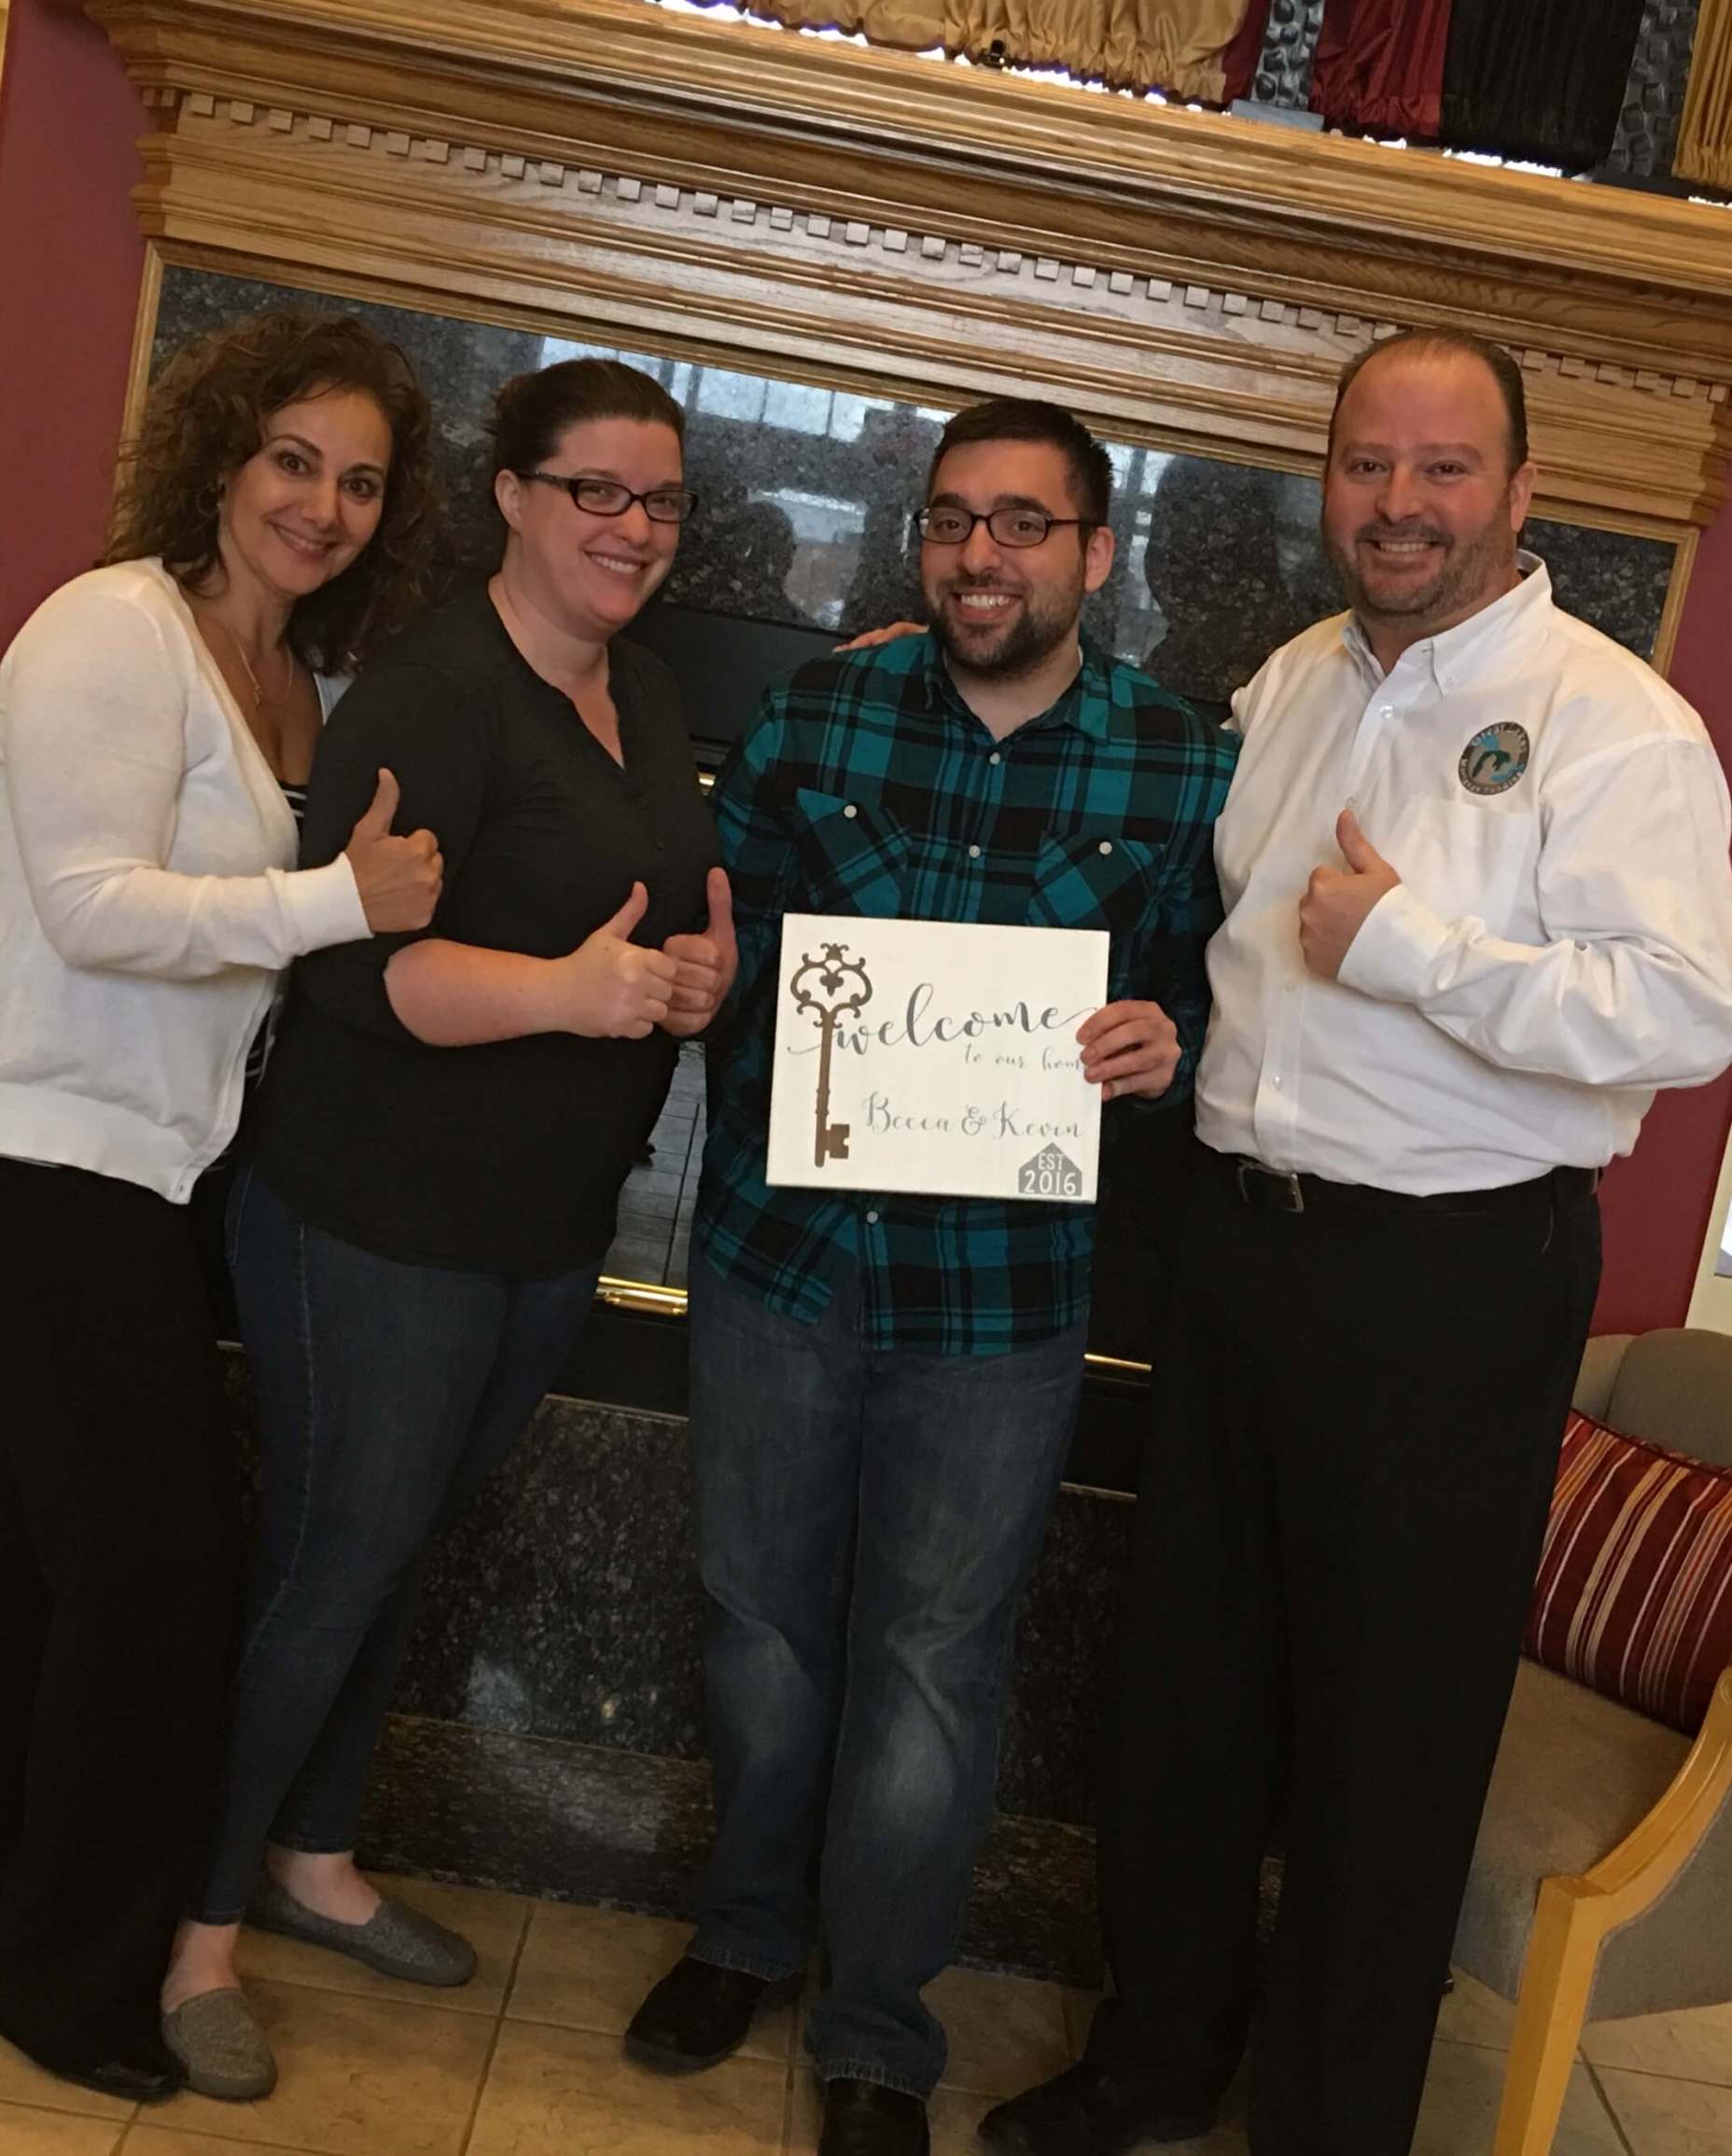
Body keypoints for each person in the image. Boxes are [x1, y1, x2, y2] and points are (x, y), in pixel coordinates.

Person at [981, 330, 1732, 2156]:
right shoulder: (1297, 675)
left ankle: (1326, 2125)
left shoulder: (1613, 720)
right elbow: (1243, 939)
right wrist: (1179, 1041)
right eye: (1367, 465)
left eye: (1443, 467)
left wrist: (1407, 947)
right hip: (1242, 1241)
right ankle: (1156, 2066)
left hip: (1451, 1280)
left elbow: (1685, 1013)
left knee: (1388, 1742)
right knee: (1193, 1685)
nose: (1399, 503)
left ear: (1521, 490)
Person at [623, 398, 1236, 2156]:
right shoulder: (823, 711)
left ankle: (879, 2032)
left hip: (1002, 1302)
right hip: (782, 1257)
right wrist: (701, 981)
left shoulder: (1183, 762)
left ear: (1096, 555)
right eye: (956, 521)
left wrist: (1162, 1039)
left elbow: (1208, 996)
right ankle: (744, 1933)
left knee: (929, 1666)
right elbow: (736, 944)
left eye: (1026, 525)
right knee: (755, 1620)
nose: (984, 555)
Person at [160, 356, 732, 2099]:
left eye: (660, 501)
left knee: (399, 1554)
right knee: (327, 1570)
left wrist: (685, 985)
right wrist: (573, 991)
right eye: (596, 494)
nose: (631, 531)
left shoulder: (636, 689)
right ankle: (189, 1941)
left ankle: (316, 1860)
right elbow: (353, 968)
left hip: (541, 1231)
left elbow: (647, 941)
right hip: (376, 1219)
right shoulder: (437, 688)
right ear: (511, 493)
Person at [0, 309, 442, 2100]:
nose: (321, 504)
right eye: (294, 459)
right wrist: (338, 907)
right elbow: (88, 906)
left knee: (22, 1550)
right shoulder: (109, 627)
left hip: (155, 1168)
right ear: (222, 451)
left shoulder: (293, 669)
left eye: (362, 481)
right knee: (158, 1580)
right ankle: (65, 1984)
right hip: (29, 1152)